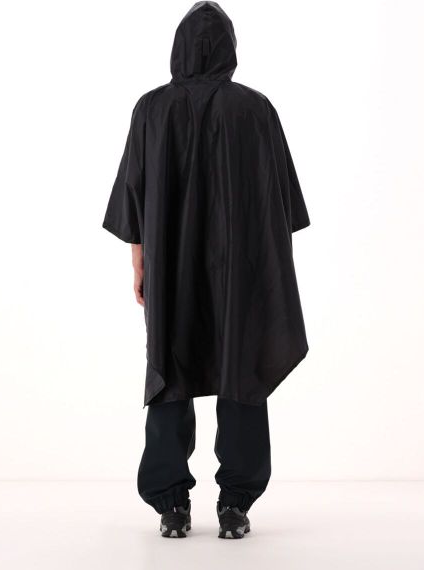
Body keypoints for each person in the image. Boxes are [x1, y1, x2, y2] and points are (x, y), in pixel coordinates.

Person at [102, 1, 310, 539]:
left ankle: (171, 506)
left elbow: (133, 196)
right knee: (241, 365)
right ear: (229, 49)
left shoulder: (151, 109)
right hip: (241, 269)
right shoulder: (255, 109)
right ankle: (235, 505)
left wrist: (139, 263)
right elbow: (280, 206)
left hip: (171, 266)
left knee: (170, 366)